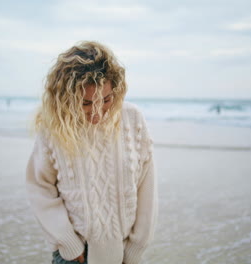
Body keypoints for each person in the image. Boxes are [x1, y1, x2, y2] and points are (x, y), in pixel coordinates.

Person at [26, 41, 158, 264]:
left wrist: (137, 247)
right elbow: (40, 186)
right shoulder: (53, 127)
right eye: (86, 103)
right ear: (67, 98)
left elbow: (147, 185)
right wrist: (67, 241)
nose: (97, 113)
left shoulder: (132, 118)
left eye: (106, 99)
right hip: (76, 255)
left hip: (126, 254)